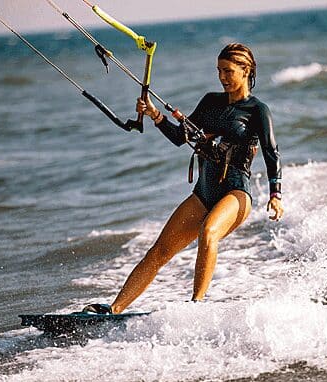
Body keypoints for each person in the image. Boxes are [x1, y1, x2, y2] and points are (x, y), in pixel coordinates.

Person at [84, 43, 283, 314]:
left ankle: (196, 305)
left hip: (235, 194)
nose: (222, 77)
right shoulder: (211, 102)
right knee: (160, 250)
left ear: (245, 70)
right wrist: (155, 115)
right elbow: (181, 137)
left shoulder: (257, 110)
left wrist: (275, 195)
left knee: (209, 231)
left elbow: (272, 153)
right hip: (204, 193)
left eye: (228, 71)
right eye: (219, 71)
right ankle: (114, 308)